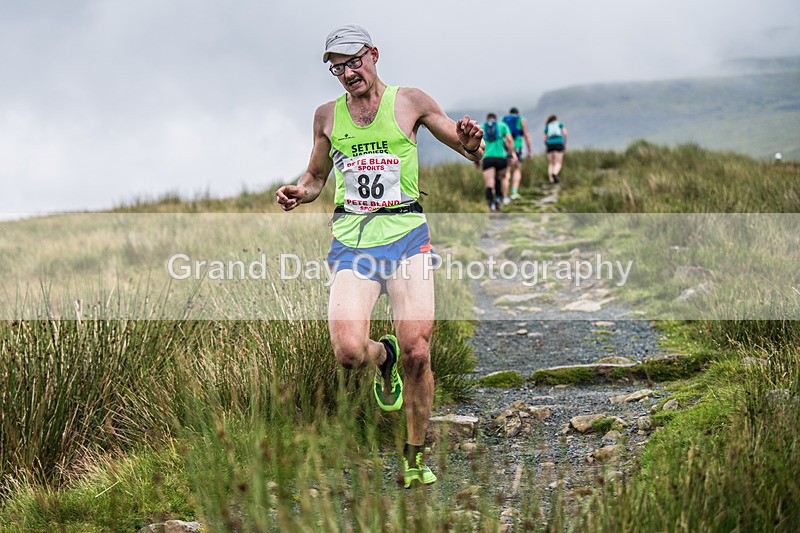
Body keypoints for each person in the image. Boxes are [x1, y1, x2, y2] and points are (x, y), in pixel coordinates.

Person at [275, 25, 485, 488]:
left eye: (354, 61)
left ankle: (413, 456)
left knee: (418, 351)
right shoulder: (326, 116)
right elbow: (315, 176)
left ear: (373, 55)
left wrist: (472, 142)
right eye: (338, 67)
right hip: (354, 242)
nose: (348, 73)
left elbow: (467, 147)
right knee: (349, 352)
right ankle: (382, 356)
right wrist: (300, 191)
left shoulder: (410, 102)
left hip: (407, 237)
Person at [481, 113, 517, 211]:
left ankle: (491, 204)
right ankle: (502, 198)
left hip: (487, 158)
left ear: (487, 119)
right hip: (501, 158)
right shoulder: (502, 125)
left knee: (489, 183)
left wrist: (476, 160)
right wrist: (512, 153)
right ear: (495, 119)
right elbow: (510, 140)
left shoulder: (481, 127)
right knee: (502, 177)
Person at [502, 107, 533, 200]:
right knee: (517, 169)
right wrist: (529, 150)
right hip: (517, 147)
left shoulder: (504, 120)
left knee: (507, 171)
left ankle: (505, 194)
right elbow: (526, 135)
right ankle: (514, 192)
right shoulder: (521, 119)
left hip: (506, 147)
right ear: (518, 113)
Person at [544, 114, 567, 183]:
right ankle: (555, 173)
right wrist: (564, 143)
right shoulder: (559, 124)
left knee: (551, 163)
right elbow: (565, 133)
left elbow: (544, 139)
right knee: (558, 163)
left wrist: (547, 145)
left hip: (550, 145)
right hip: (558, 144)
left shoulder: (547, 126)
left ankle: (551, 180)